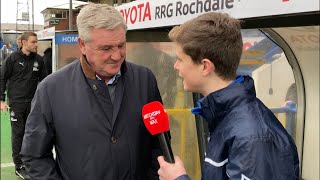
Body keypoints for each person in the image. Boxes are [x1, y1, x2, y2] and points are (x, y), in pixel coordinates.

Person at [20, 3, 163, 180]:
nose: (117, 55)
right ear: (82, 44)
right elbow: (34, 155)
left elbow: (160, 143)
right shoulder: (51, 89)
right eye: (106, 48)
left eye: (121, 45)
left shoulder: (145, 80)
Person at [157, 12, 299, 180]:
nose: (175, 66)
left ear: (205, 66)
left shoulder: (252, 138)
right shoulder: (225, 118)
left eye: (180, 59)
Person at [0, 31, 47, 180]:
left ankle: (30, 162)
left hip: (33, 104)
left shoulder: (39, 60)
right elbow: (2, 78)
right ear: (24, 42)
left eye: (36, 42)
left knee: (32, 133)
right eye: (33, 42)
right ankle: (19, 166)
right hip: (16, 104)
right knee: (18, 134)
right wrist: (1, 100)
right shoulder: (12, 59)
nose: (36, 44)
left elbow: (45, 82)